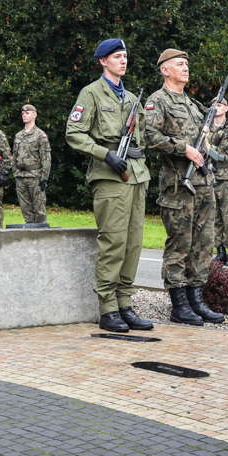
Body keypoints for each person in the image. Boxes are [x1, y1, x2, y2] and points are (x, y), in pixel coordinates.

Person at [65, 38, 152, 333]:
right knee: (113, 242)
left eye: (125, 56)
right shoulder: (90, 93)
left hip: (136, 175)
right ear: (103, 61)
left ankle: (125, 304)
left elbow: (142, 139)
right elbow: (74, 133)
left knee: (133, 244)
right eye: (117, 56)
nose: (123, 61)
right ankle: (108, 309)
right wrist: (105, 155)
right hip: (109, 177)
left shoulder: (131, 99)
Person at [145, 49, 224, 326]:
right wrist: (184, 149)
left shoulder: (191, 104)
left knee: (203, 244)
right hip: (178, 183)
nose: (186, 68)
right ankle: (179, 305)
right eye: (180, 64)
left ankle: (196, 300)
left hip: (203, 181)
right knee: (180, 243)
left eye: (187, 64)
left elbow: (207, 139)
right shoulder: (158, 100)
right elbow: (150, 136)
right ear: (165, 70)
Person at [12, 104, 51, 224]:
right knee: (26, 210)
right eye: (23, 113)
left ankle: (42, 238)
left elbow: (46, 157)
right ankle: (29, 236)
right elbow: (14, 156)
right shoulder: (18, 135)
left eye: (27, 113)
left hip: (35, 176)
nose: (24, 115)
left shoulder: (40, 135)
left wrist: (44, 178)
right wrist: (15, 174)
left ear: (34, 115)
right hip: (21, 177)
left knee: (39, 210)